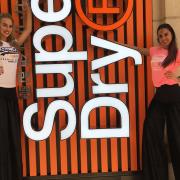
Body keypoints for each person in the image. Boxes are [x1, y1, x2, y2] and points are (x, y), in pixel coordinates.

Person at [121, 23, 180, 179]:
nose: (163, 38)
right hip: (159, 97)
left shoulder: (177, 53)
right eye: (160, 35)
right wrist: (117, 44)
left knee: (177, 137)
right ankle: (156, 176)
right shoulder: (154, 51)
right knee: (150, 131)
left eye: (166, 34)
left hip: (175, 97)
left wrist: (178, 77)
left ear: (172, 35)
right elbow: (138, 50)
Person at [0, 1, 32, 180]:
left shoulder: (13, 44)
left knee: (12, 137)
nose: (7, 28)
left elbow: (27, 30)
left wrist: (27, 12)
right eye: (4, 25)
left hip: (11, 95)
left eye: (10, 26)